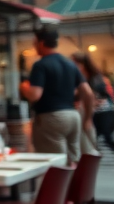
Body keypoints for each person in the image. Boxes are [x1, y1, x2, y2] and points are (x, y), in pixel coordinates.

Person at [20, 25, 94, 163]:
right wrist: (88, 118)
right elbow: (88, 92)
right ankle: (74, 185)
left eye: (35, 43)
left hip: (51, 118)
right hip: (73, 116)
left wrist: (24, 87)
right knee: (73, 161)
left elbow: (34, 95)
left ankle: (60, 185)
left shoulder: (40, 65)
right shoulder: (70, 64)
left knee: (55, 164)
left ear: (41, 43)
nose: (35, 47)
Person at [71, 51, 114, 152]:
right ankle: (94, 156)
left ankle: (94, 156)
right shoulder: (78, 77)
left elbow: (99, 94)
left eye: (75, 63)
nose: (72, 66)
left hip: (103, 111)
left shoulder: (96, 77)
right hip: (89, 111)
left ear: (83, 64)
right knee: (93, 137)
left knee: (105, 137)